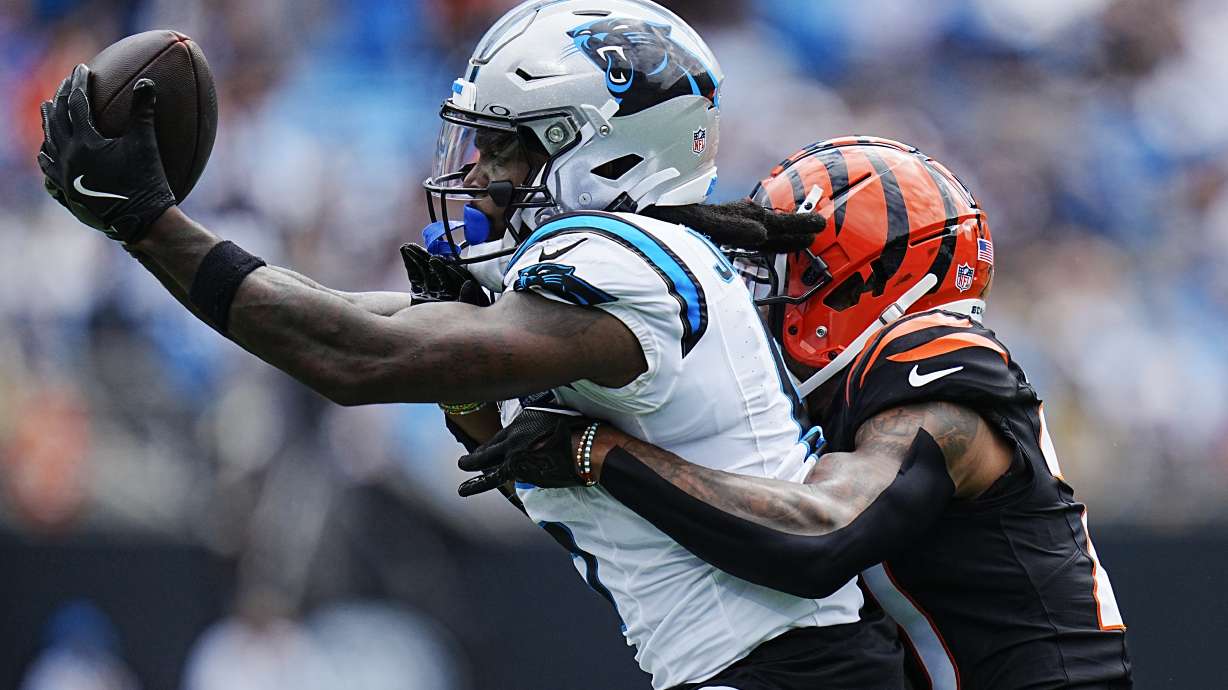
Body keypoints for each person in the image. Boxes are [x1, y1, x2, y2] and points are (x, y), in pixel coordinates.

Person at [36, 2, 905, 688]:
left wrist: (150, 225)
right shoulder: (639, 269)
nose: (482, 173)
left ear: (603, 153)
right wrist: (464, 397)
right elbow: (548, 480)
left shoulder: (624, 263)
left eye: (508, 148)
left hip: (787, 671)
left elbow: (354, 353)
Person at [460, 137, 1134, 689]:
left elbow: (816, 536)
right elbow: (643, 514)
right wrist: (468, 388)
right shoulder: (847, 396)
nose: (762, 292)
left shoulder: (936, 373)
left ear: (863, 279)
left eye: (788, 271)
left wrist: (601, 452)